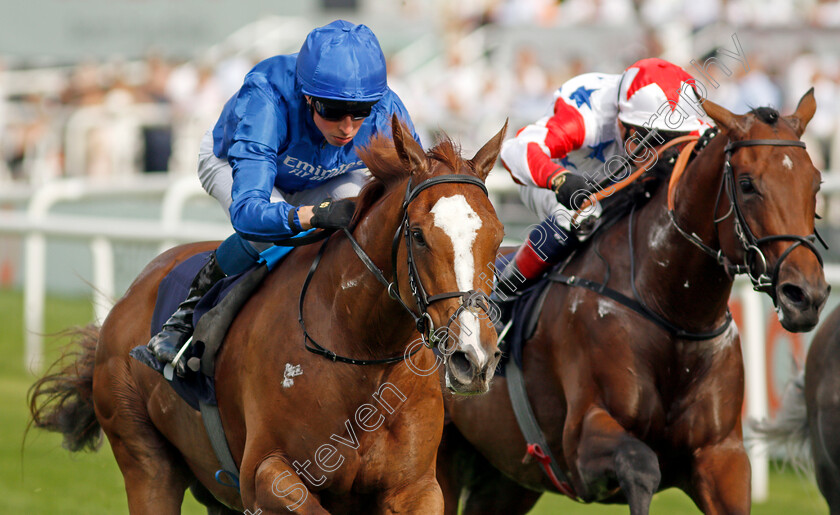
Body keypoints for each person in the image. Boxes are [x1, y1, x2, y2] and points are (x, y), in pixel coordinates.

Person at [147, 20, 421, 368]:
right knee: (274, 236)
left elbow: (418, 191)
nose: (348, 127)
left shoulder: (385, 109)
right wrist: (310, 215)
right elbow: (249, 211)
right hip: (235, 163)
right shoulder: (266, 98)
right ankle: (184, 318)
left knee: (368, 216)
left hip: (327, 173)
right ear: (308, 96)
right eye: (332, 111)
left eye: (360, 112)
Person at [496, 57, 708, 296]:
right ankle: (503, 291)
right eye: (649, 138)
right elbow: (514, 150)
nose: (659, 151)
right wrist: (559, 179)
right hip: (563, 181)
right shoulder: (586, 116)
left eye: (669, 138)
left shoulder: (687, 116)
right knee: (582, 214)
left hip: (622, 182)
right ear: (620, 122)